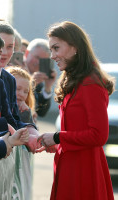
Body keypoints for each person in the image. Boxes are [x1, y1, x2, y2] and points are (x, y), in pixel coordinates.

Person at [38, 21, 114, 200]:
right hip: (71, 167)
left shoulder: (90, 82)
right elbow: (76, 129)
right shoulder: (76, 80)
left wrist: (57, 137)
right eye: (51, 50)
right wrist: (59, 143)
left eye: (56, 48)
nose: (53, 55)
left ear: (75, 47)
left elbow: (99, 135)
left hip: (84, 172)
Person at [0, 21, 41, 153]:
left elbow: (14, 119)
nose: (5, 52)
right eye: (0, 46)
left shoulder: (10, 80)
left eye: (10, 46)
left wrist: (33, 134)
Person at [6, 66, 36, 199]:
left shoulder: (26, 111)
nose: (21, 94)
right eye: (17, 89)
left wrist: (25, 114)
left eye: (25, 91)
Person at [25, 38, 57, 117]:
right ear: (27, 53)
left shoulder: (38, 80)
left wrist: (48, 87)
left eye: (43, 60)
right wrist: (30, 83)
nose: (38, 62)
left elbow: (42, 112)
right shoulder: (13, 70)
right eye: (37, 57)